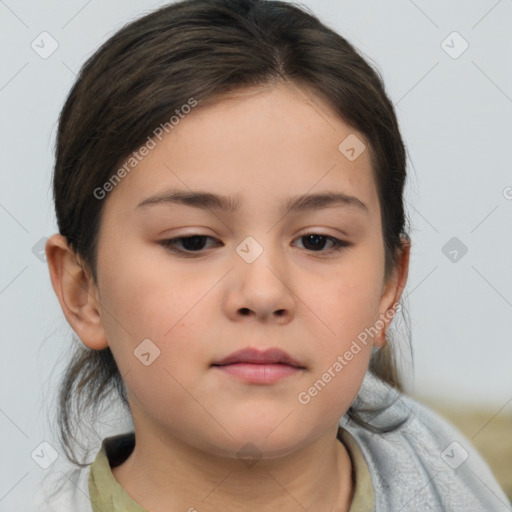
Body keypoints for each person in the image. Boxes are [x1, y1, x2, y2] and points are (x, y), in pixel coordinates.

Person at [35, 0, 510, 510]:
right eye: (193, 241)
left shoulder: (469, 485)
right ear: (83, 292)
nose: (262, 294)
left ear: (388, 289)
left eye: (317, 240)